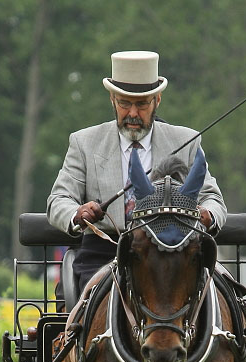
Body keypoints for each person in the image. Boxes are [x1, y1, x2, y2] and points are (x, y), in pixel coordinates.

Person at [47, 50, 227, 295]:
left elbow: (213, 199)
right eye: (124, 103)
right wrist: (77, 214)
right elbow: (58, 201)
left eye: (142, 104)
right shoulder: (84, 143)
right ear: (112, 99)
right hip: (103, 253)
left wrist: (207, 215)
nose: (132, 113)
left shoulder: (186, 141)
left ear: (157, 100)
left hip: (173, 253)